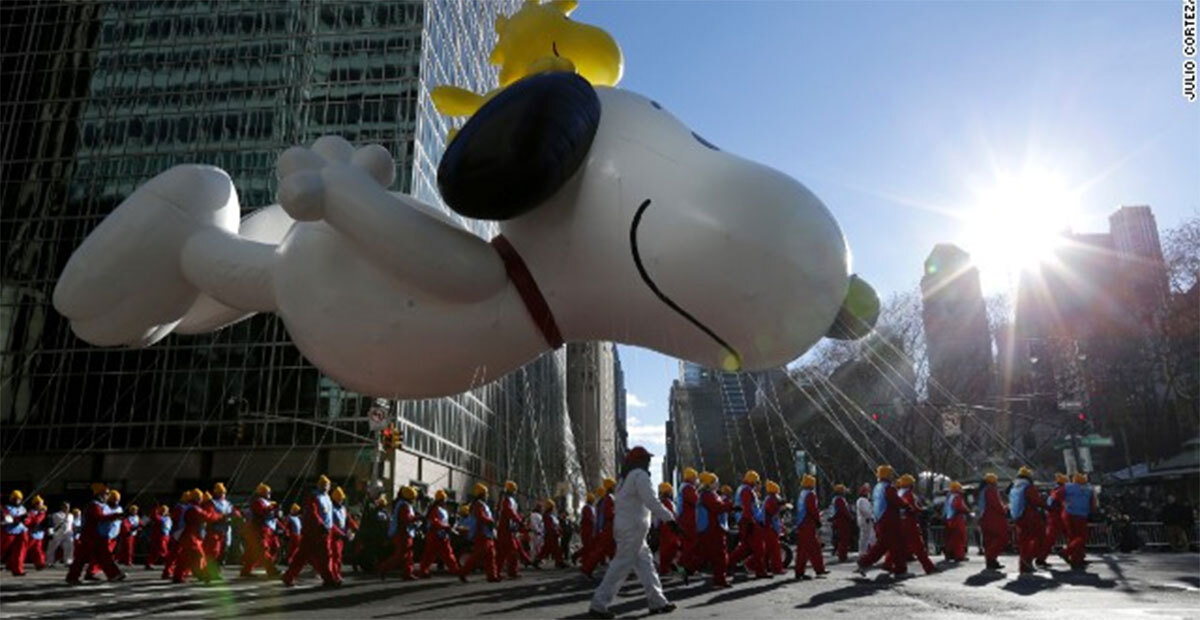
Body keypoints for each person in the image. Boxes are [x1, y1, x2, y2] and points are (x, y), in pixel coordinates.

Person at [586, 446, 679, 619]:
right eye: (646, 459)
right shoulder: (640, 476)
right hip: (633, 528)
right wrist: (670, 519)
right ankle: (598, 605)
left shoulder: (624, 479)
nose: (649, 462)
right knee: (620, 565)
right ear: (640, 461)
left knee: (646, 565)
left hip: (628, 527)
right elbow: (651, 500)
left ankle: (658, 602)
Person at [282, 474, 340, 587]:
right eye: (324, 485)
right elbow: (313, 514)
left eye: (327, 485)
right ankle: (288, 577)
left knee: (325, 556)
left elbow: (329, 518)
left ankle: (329, 579)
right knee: (303, 556)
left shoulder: (327, 498)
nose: (326, 487)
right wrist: (321, 526)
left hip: (323, 533)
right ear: (319, 485)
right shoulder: (314, 497)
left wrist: (332, 530)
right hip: (313, 533)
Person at [680, 471, 733, 588]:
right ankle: (720, 580)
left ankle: (687, 569)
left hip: (708, 529)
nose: (717, 484)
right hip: (713, 529)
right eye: (715, 482)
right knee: (720, 556)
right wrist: (730, 505)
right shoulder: (708, 495)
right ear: (710, 484)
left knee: (704, 555)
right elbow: (716, 508)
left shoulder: (705, 495)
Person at [67, 484, 126, 584]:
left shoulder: (101, 505)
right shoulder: (94, 505)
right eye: (106, 493)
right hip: (91, 536)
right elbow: (99, 517)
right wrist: (115, 516)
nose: (108, 495)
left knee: (104, 556)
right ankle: (73, 577)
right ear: (100, 494)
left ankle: (113, 574)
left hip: (99, 535)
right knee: (82, 557)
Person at [856, 465, 906, 577]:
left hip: (880, 520)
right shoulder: (889, 488)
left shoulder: (877, 487)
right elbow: (896, 501)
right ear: (887, 475)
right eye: (891, 474)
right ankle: (900, 569)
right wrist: (907, 505)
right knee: (895, 545)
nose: (893, 476)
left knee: (883, 545)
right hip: (890, 520)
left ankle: (865, 562)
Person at [172, 488, 221, 583]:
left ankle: (179, 576)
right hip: (191, 536)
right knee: (198, 555)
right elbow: (206, 516)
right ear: (198, 498)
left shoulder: (190, 507)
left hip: (189, 535)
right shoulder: (195, 509)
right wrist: (219, 516)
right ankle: (202, 574)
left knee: (186, 556)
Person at [728, 470, 768, 579]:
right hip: (748, 521)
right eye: (757, 481)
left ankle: (728, 565)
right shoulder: (747, 491)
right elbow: (747, 508)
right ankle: (758, 570)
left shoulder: (743, 489)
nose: (758, 484)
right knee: (759, 548)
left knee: (745, 548)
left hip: (745, 521)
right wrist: (750, 522)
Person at [458, 482, 500, 583]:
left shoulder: (482, 505)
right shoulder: (478, 505)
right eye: (486, 494)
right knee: (477, 556)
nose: (487, 495)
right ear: (481, 494)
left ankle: (492, 576)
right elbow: (481, 517)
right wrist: (490, 521)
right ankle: (462, 572)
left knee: (491, 555)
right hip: (481, 534)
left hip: (487, 534)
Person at [895, 474, 936, 574]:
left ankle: (894, 566)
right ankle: (928, 567)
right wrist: (923, 510)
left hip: (900, 521)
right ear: (910, 484)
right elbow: (912, 507)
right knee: (918, 545)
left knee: (900, 545)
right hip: (909, 521)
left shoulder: (899, 492)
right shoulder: (908, 493)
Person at [379, 486, 420, 580]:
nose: (414, 499)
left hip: (406, 533)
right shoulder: (404, 506)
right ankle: (383, 568)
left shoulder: (404, 504)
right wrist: (417, 518)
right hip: (402, 534)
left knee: (409, 555)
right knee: (400, 556)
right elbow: (406, 519)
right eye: (413, 498)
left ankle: (408, 573)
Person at [1009, 466, 1045, 574]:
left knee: (1024, 541)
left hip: (1018, 516)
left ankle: (1024, 565)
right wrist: (1047, 505)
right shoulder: (1028, 487)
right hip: (1030, 516)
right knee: (1039, 537)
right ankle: (1028, 560)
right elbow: (1036, 500)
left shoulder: (1014, 487)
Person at [240, 483, 280, 578]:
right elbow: (261, 511)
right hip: (261, 529)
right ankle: (271, 569)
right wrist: (272, 507)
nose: (269, 494)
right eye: (267, 492)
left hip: (270, 529)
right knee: (263, 549)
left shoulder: (268, 502)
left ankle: (246, 570)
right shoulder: (258, 502)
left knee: (254, 551)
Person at [417, 489, 459, 577]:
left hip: (441, 535)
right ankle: (423, 571)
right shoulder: (435, 509)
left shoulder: (441, 509)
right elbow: (435, 521)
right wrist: (446, 527)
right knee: (430, 555)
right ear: (441, 500)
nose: (445, 502)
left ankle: (456, 570)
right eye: (444, 500)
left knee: (446, 554)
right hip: (435, 535)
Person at [793, 474, 827, 580]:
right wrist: (818, 521)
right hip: (808, 523)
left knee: (803, 549)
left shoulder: (802, 494)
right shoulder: (811, 495)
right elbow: (813, 509)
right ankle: (819, 569)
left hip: (801, 523)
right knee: (814, 548)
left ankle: (800, 571)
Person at [581, 478, 617, 578]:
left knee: (612, 550)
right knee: (601, 550)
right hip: (608, 527)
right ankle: (587, 568)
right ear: (610, 487)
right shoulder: (609, 498)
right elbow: (609, 514)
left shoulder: (605, 499)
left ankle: (616, 570)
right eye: (614, 486)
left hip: (607, 527)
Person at [1062, 473, 1096, 570]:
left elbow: (1056, 497)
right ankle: (1066, 552)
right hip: (1081, 516)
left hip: (1068, 514)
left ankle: (1077, 560)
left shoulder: (1067, 487)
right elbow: (1092, 504)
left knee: (1073, 538)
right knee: (1082, 537)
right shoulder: (1089, 489)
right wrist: (1092, 512)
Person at [204, 482, 238, 576]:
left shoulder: (228, 504)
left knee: (224, 550)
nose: (222, 494)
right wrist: (222, 517)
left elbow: (235, 512)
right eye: (220, 492)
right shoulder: (211, 503)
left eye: (223, 492)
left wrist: (237, 517)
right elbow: (210, 516)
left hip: (226, 530)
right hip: (214, 530)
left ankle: (217, 570)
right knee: (214, 551)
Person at [495, 480, 525, 579]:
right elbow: (510, 512)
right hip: (506, 530)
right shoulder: (507, 500)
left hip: (507, 530)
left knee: (503, 552)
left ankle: (498, 572)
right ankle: (512, 572)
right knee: (512, 551)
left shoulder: (507, 500)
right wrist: (519, 520)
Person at [978, 473, 1007, 570]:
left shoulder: (982, 491)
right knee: (1001, 538)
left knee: (988, 541)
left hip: (984, 518)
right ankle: (991, 558)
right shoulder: (991, 490)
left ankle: (990, 561)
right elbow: (996, 504)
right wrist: (1004, 509)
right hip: (993, 518)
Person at [1039, 473, 1068, 567]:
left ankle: (1041, 558)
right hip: (1057, 517)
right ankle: (1068, 554)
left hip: (1053, 517)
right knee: (1070, 536)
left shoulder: (1054, 491)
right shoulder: (1062, 490)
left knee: (1049, 539)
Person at [329, 486, 356, 582]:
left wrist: (355, 528)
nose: (341, 500)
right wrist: (340, 533)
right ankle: (334, 575)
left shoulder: (343, 508)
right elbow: (330, 523)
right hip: (334, 536)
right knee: (334, 556)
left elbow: (348, 519)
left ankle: (337, 574)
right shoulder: (331, 509)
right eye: (340, 499)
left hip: (341, 536)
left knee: (339, 556)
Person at [674, 468, 700, 571]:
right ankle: (686, 566)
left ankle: (683, 565)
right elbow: (696, 501)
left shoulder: (683, 487)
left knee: (687, 543)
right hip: (688, 520)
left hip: (685, 519)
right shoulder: (688, 488)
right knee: (691, 544)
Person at [3, 489, 30, 576]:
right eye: (15, 498)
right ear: (11, 499)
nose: (17, 500)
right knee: (2, 549)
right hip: (9, 532)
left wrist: (25, 519)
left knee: (20, 551)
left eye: (19, 499)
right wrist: (18, 519)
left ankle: (18, 570)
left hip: (22, 531)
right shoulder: (6, 508)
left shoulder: (23, 508)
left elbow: (27, 521)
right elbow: (6, 519)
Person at [760, 480, 785, 575]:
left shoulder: (770, 498)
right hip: (769, 527)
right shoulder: (771, 499)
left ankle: (766, 567)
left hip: (769, 526)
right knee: (775, 549)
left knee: (768, 549)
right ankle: (777, 568)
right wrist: (781, 508)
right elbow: (773, 511)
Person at [655, 482, 679, 575]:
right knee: (668, 548)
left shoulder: (663, 503)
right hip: (668, 528)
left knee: (668, 548)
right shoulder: (668, 503)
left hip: (666, 528)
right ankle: (664, 568)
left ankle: (665, 567)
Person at [534, 499, 566, 568]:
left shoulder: (550, 515)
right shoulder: (547, 515)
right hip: (551, 535)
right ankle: (559, 562)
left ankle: (558, 561)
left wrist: (558, 530)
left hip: (552, 535)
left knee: (550, 549)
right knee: (552, 549)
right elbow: (550, 526)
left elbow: (555, 524)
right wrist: (556, 531)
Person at [942, 481, 969, 562]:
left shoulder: (949, 497)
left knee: (950, 539)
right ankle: (959, 555)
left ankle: (949, 554)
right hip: (957, 519)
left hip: (949, 519)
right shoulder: (957, 497)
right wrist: (966, 510)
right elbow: (958, 506)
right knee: (959, 538)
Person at [829, 484, 854, 563]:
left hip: (838, 520)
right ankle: (842, 556)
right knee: (844, 539)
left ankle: (842, 554)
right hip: (842, 521)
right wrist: (850, 517)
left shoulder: (836, 499)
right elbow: (843, 510)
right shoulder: (839, 500)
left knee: (841, 539)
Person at [46, 502, 74, 568]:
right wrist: (50, 533)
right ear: (62, 507)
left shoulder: (71, 515)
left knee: (69, 547)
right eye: (66, 506)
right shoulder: (56, 514)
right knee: (52, 548)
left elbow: (72, 525)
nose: (67, 508)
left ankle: (68, 562)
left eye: (68, 507)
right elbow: (51, 524)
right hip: (57, 533)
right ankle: (49, 562)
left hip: (68, 533)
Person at [24, 496, 47, 571]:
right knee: (24, 549)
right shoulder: (31, 513)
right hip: (31, 534)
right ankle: (11, 563)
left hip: (39, 534)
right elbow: (34, 521)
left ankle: (40, 564)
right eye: (40, 504)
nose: (41, 505)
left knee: (38, 550)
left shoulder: (41, 512)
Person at [573, 492, 596, 565]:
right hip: (587, 530)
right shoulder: (587, 508)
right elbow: (589, 519)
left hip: (591, 530)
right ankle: (577, 556)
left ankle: (583, 559)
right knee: (587, 546)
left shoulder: (592, 508)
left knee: (589, 546)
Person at [146, 504, 172, 570]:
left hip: (165, 536)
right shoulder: (159, 517)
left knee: (159, 551)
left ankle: (150, 563)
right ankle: (169, 564)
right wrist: (155, 509)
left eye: (165, 510)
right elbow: (154, 516)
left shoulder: (168, 518)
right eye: (162, 510)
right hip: (159, 537)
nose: (163, 511)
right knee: (162, 551)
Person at [855, 483, 875, 556]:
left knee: (870, 536)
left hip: (868, 521)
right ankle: (862, 552)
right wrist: (872, 516)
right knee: (864, 537)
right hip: (865, 521)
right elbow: (865, 511)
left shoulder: (866, 501)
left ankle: (869, 550)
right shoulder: (861, 500)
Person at [284, 503, 303, 568]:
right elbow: (286, 526)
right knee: (293, 548)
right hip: (294, 534)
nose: (297, 511)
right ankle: (289, 560)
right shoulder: (289, 517)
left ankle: (293, 560)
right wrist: (287, 533)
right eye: (295, 510)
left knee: (297, 548)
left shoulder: (297, 518)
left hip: (299, 534)